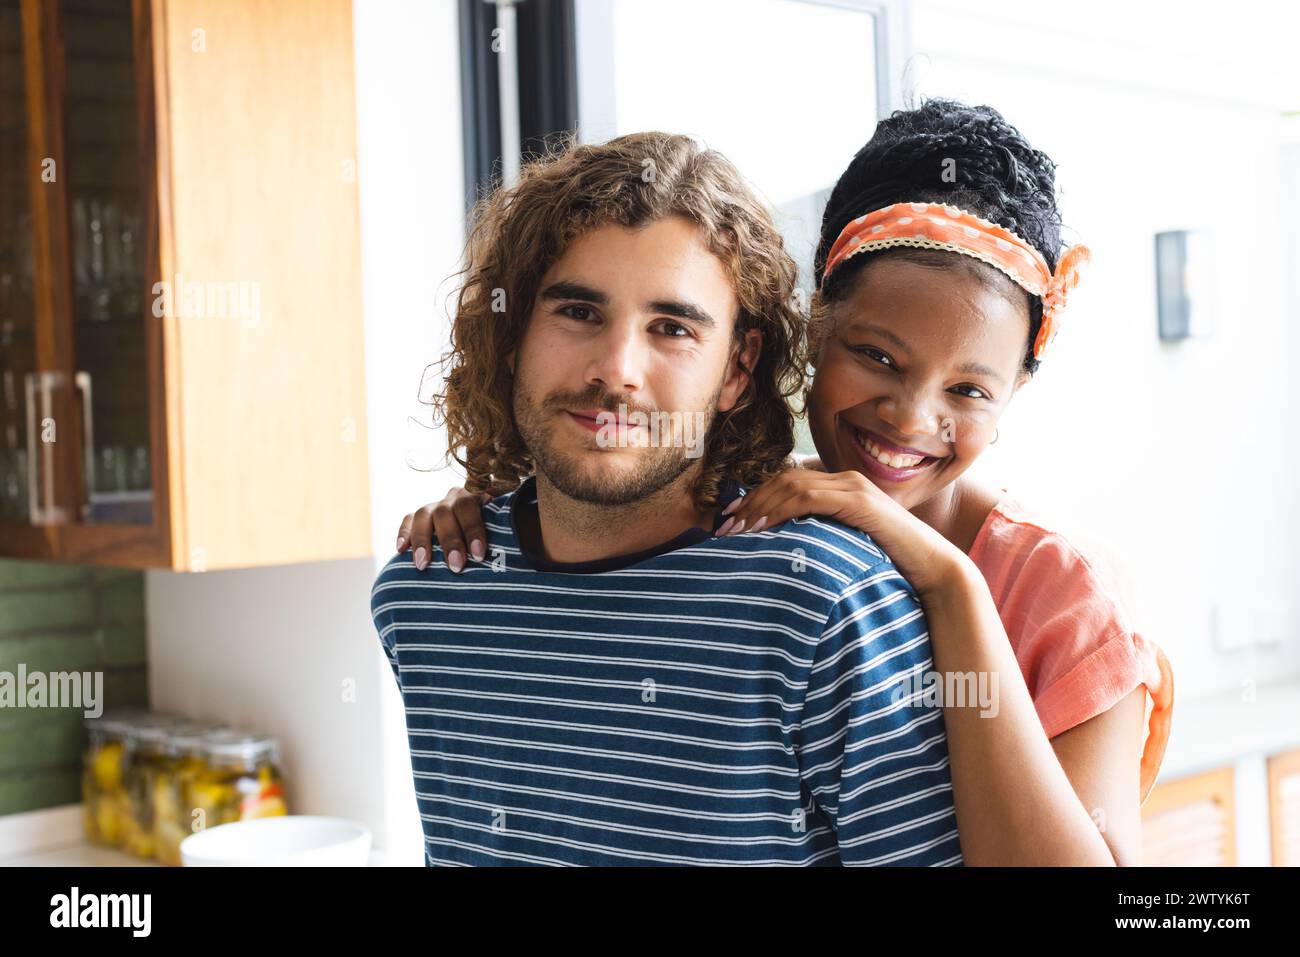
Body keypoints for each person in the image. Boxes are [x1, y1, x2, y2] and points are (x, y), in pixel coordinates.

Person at [394, 100, 1175, 865]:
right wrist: (485, 507)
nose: (908, 419)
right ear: (815, 333)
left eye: (968, 391)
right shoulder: (783, 503)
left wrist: (951, 581)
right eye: (877, 357)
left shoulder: (1054, 594)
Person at [371, 130, 963, 866]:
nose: (616, 370)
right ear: (514, 329)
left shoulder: (828, 605)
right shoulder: (427, 595)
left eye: (672, 328)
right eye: (579, 312)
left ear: (737, 371)